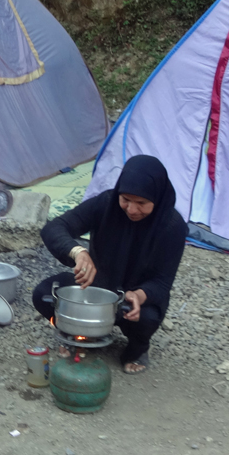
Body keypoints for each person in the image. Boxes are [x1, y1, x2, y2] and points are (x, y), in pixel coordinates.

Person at [32, 155, 187, 374]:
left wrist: (140, 296)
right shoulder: (106, 204)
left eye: (141, 203)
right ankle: (71, 333)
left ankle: (137, 349)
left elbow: (162, 282)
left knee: (147, 318)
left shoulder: (173, 227)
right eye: (126, 199)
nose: (132, 209)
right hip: (95, 290)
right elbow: (54, 228)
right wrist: (79, 252)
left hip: (129, 301)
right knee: (43, 294)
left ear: (158, 198)